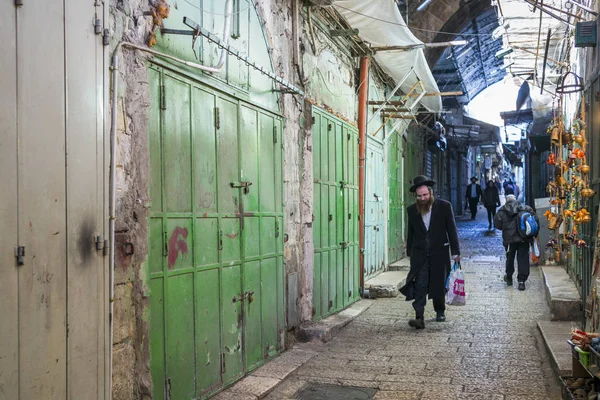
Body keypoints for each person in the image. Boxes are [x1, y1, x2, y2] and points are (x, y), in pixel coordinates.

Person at [399, 175, 461, 329]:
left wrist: (456, 252)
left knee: (438, 283)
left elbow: (452, 230)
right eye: (419, 196)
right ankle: (419, 317)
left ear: (431, 193)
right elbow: (411, 232)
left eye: (425, 195)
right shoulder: (412, 210)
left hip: (439, 252)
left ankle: (440, 310)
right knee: (420, 284)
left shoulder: (444, 206)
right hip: (420, 254)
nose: (422, 199)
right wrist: (409, 253)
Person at [493, 194, 539, 291]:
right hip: (524, 238)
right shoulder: (526, 208)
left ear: (507, 201)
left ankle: (509, 277)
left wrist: (506, 228)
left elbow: (497, 224)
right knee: (523, 258)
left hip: (509, 240)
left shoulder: (501, 211)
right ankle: (521, 281)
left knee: (510, 258)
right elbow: (536, 221)